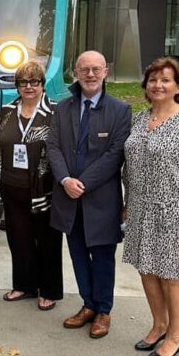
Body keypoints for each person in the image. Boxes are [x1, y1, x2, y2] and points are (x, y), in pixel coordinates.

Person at [121, 57, 179, 356]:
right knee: (147, 269)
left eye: (166, 80)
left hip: (174, 212)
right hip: (140, 210)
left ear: (178, 86)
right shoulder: (139, 119)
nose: (158, 85)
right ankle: (159, 325)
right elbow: (129, 167)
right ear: (146, 86)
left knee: (173, 275)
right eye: (153, 80)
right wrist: (126, 203)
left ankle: (176, 335)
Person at [46, 50, 131, 339]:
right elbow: (53, 147)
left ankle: (104, 311)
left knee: (103, 257)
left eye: (96, 69)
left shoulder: (120, 110)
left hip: (101, 200)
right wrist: (66, 179)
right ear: (76, 72)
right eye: (85, 69)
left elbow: (115, 154)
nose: (90, 74)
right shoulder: (63, 108)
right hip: (68, 198)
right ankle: (88, 305)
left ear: (106, 72)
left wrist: (82, 182)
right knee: (78, 255)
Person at [0, 60, 63, 311]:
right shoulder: (8, 111)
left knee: (47, 240)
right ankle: (24, 284)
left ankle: (49, 289)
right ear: (17, 86)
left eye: (35, 82)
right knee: (18, 238)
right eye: (23, 82)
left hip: (44, 189)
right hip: (12, 186)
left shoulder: (56, 112)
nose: (29, 87)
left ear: (43, 85)